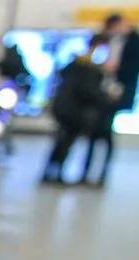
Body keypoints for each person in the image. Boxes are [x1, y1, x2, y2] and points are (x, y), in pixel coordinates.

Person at [79, 14, 139, 185]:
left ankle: (102, 174)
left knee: (106, 131)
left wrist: (121, 67)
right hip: (99, 91)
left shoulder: (137, 41)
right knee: (94, 131)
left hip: (119, 90)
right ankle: (85, 172)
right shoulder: (104, 39)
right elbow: (89, 53)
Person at [42, 35, 112, 185]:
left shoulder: (78, 63)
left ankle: (52, 172)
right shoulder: (87, 67)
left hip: (66, 109)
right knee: (65, 142)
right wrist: (106, 97)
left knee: (62, 141)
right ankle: (54, 173)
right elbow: (87, 91)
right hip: (73, 111)